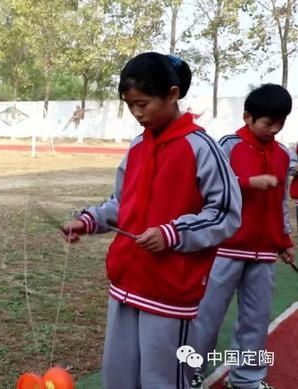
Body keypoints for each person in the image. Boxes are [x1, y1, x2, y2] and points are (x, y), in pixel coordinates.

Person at [61, 52, 242, 389]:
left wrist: (172, 233)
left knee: (164, 380)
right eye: (130, 105)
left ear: (172, 94)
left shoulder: (201, 147)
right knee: (118, 377)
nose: (137, 113)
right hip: (126, 285)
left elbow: (225, 213)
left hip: (170, 293)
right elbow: (121, 203)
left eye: (143, 103)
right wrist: (88, 221)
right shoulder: (137, 147)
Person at [192, 84, 295, 389]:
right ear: (248, 117)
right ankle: (188, 372)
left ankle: (247, 378)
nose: (274, 129)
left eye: (281, 123)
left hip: (263, 253)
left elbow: (280, 203)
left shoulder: (282, 154)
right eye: (268, 123)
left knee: (255, 321)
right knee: (205, 317)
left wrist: (284, 240)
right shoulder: (228, 145)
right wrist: (249, 182)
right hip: (225, 248)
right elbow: (207, 187)